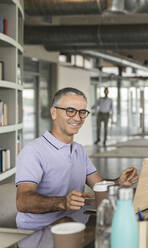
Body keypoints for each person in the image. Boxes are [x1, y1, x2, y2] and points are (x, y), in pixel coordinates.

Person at [15, 87, 138, 230]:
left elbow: (99, 184)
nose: (78, 118)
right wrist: (62, 202)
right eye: (70, 111)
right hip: (41, 232)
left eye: (82, 112)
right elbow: (22, 201)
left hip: (75, 224)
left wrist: (118, 182)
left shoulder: (79, 150)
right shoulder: (33, 151)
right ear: (54, 112)